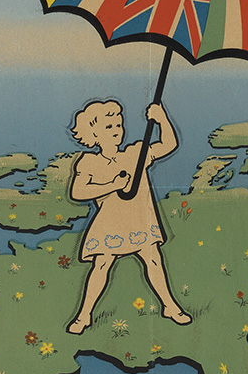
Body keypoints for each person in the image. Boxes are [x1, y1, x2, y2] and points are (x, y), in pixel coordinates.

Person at [67, 99, 191, 335]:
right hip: (111, 223)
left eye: (118, 126)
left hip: (138, 220)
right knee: (101, 265)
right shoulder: (90, 162)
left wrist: (161, 117)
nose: (116, 131)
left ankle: (170, 306)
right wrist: (112, 185)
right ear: (94, 134)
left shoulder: (136, 153)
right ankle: (84, 316)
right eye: (109, 127)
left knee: (153, 259)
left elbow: (169, 143)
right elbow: (77, 191)